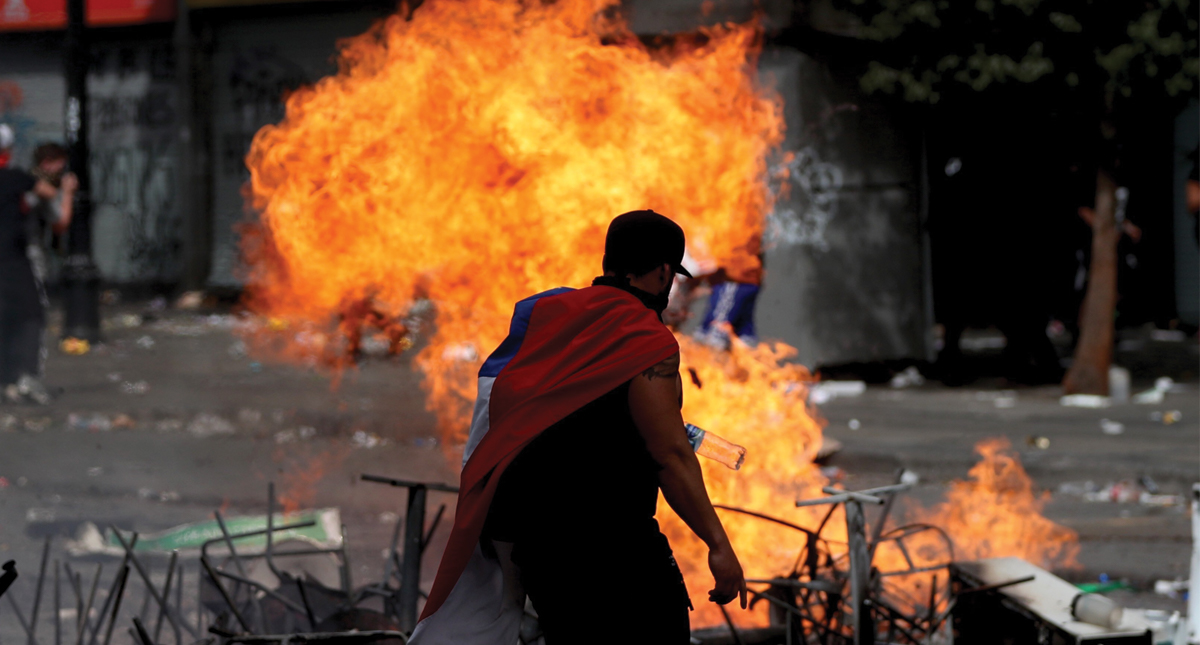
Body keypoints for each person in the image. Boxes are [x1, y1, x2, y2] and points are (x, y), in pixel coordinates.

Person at [410, 210, 747, 645]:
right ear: (664, 272)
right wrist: (718, 546)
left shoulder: (548, 315)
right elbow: (670, 455)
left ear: (609, 262)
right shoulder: (645, 337)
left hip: (539, 551)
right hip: (613, 551)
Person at [0, 126, 65, 404]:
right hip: (11, 259)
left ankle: (6, 377)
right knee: (30, 316)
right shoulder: (16, 179)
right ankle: (25, 376)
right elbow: (48, 193)